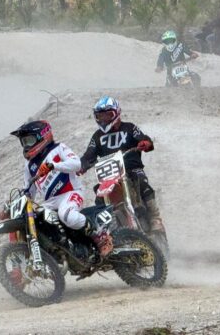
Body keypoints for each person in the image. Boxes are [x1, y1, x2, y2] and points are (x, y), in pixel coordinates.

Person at [10, 120, 113, 257]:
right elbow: (29, 190)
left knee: (67, 215)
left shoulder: (59, 148)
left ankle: (100, 236)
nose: (26, 145)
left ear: (43, 136)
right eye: (24, 142)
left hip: (70, 193)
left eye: (29, 140)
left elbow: (77, 164)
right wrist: (17, 201)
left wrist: (54, 165)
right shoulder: (29, 165)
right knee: (36, 220)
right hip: (50, 202)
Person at [79, 96, 166, 242]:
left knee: (143, 184)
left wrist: (145, 143)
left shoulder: (129, 128)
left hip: (132, 169)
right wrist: (81, 166)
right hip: (109, 175)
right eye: (100, 116)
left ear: (117, 113)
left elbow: (143, 138)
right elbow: (89, 155)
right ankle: (105, 233)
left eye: (108, 115)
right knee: (99, 198)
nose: (104, 119)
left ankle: (155, 219)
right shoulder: (97, 136)